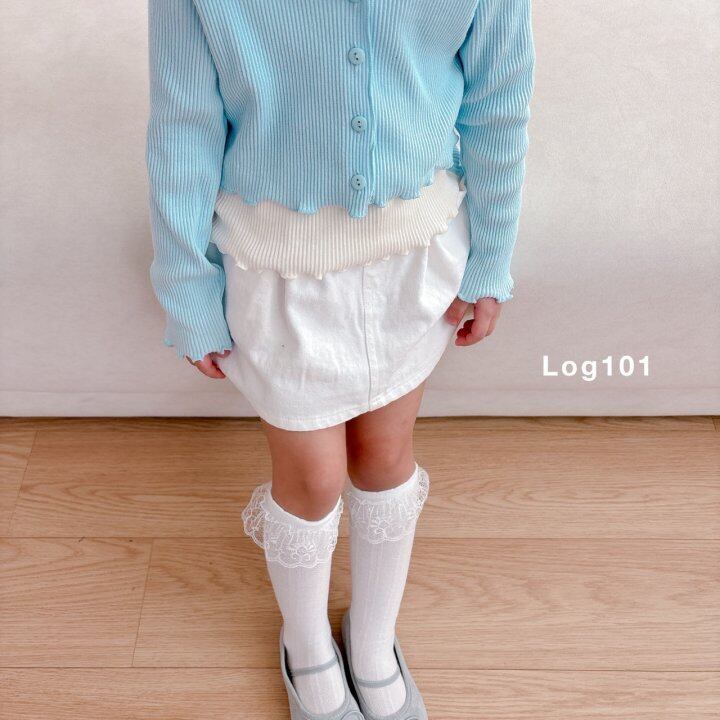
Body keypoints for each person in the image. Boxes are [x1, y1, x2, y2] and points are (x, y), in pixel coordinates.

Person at [146, 1, 535, 718]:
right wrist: (186, 286)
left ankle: (373, 635)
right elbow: (183, 125)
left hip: (414, 258)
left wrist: (491, 257)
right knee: (313, 478)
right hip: (278, 267)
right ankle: (304, 643)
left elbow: (497, 103)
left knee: (385, 458)